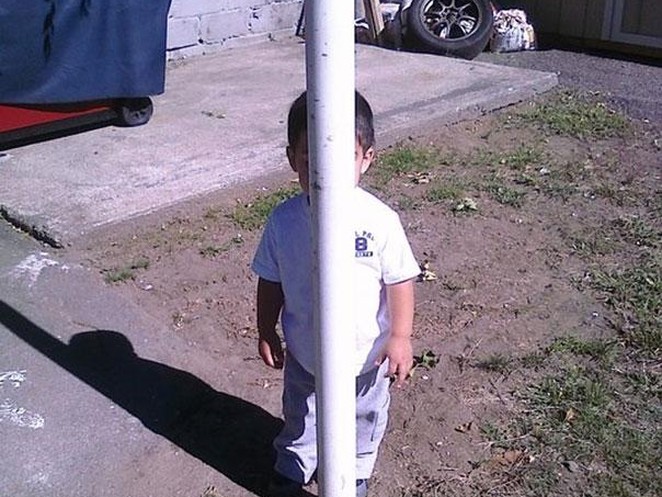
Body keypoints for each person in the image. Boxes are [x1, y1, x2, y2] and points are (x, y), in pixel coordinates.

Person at [251, 91, 419, 497]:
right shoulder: (284, 221)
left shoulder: (379, 220)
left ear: (366, 158)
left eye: (342, 157)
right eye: (311, 159)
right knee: (301, 415)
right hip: (305, 354)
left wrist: (400, 336)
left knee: (363, 419)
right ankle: (294, 465)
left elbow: (400, 280)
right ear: (293, 159)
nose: (325, 171)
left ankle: (353, 473)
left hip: (367, 360)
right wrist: (266, 329)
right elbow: (270, 280)